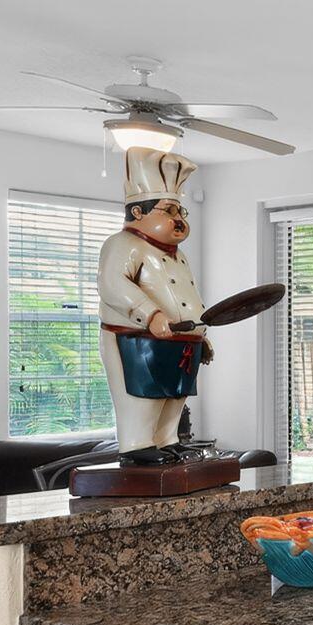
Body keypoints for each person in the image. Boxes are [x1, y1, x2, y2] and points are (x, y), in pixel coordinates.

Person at [97, 149, 206, 454]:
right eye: (169, 210)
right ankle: (137, 446)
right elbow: (112, 284)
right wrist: (151, 314)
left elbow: (188, 295)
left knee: (174, 398)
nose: (178, 219)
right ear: (138, 213)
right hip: (138, 340)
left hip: (182, 341)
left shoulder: (177, 255)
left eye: (180, 212)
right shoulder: (123, 245)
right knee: (144, 397)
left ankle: (166, 441)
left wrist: (200, 335)